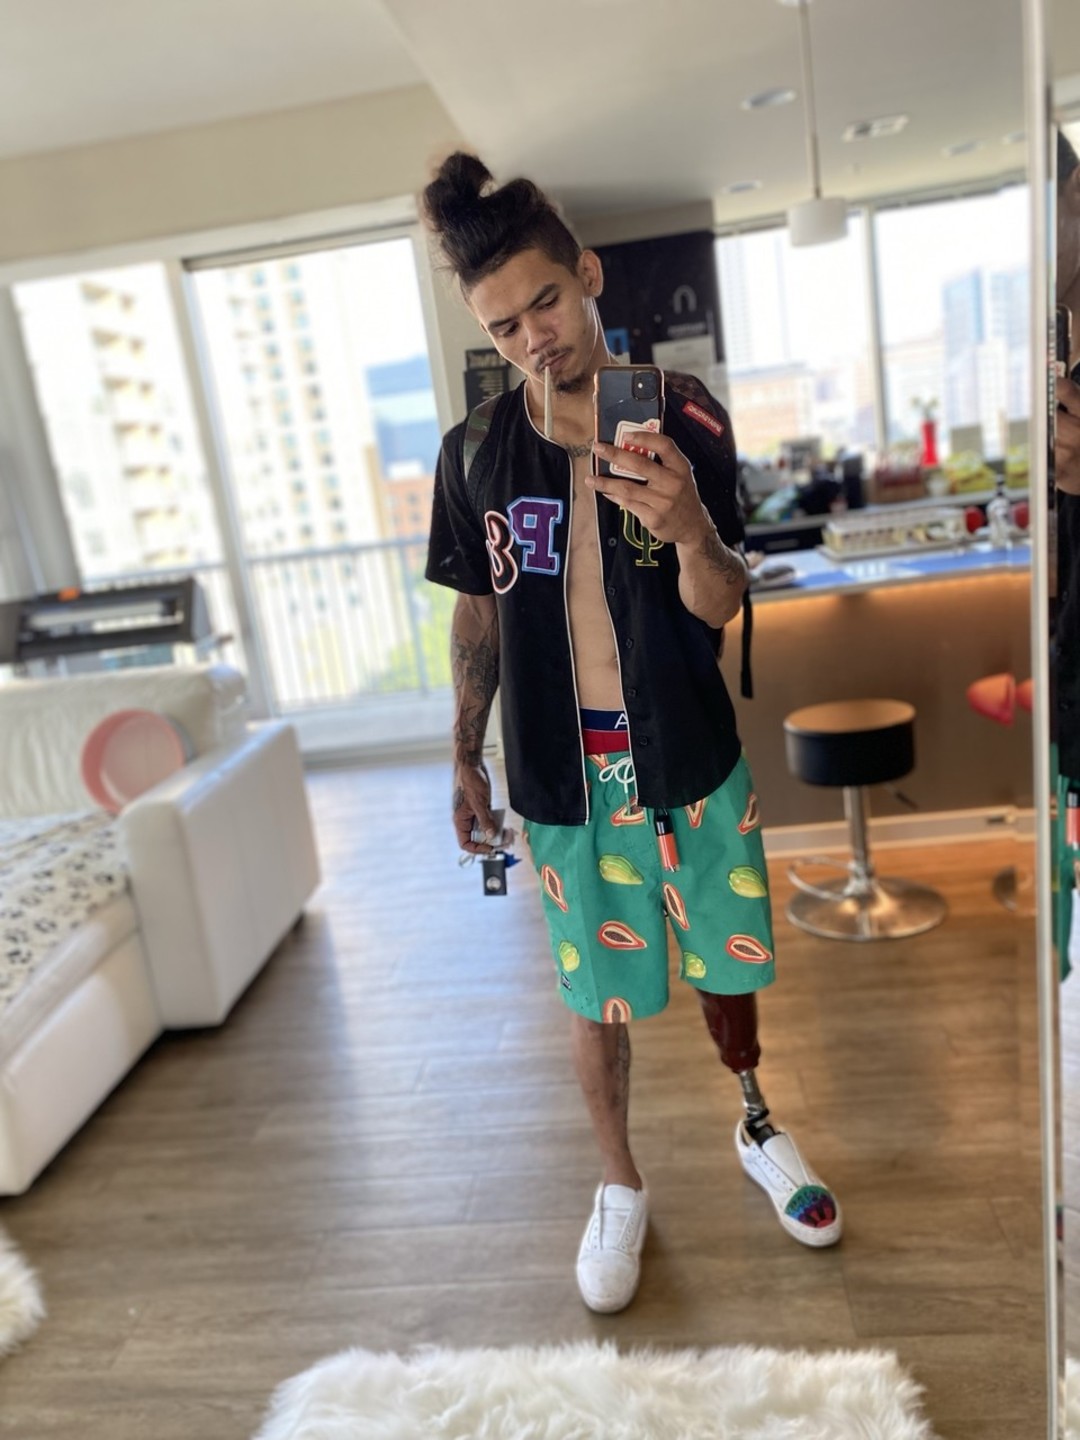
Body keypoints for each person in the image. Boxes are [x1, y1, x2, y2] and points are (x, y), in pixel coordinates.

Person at [423, 152, 841, 1315]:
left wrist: (693, 527)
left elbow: (720, 602)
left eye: (546, 303)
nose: (535, 339)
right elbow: (477, 611)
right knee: (591, 990)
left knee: (726, 956)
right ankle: (618, 1182)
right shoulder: (474, 452)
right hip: (565, 775)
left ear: (589, 276)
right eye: (504, 326)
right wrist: (461, 749)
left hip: (688, 753)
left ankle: (757, 1123)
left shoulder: (684, 413)